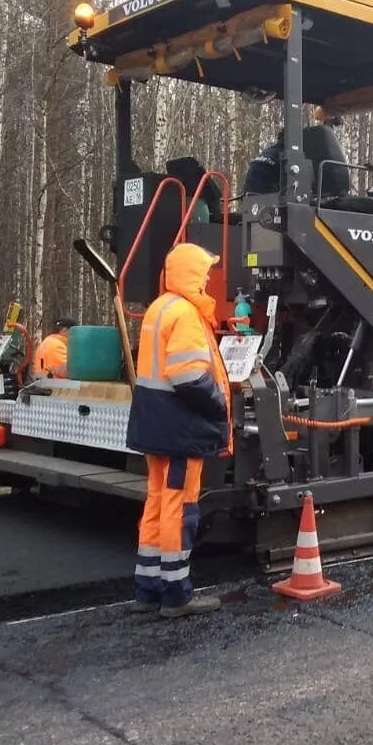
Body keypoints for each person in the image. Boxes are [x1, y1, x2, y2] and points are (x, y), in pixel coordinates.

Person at [125, 243, 231, 618]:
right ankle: (176, 594)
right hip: (180, 428)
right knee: (179, 507)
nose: (207, 278)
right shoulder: (186, 314)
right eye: (204, 271)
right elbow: (187, 375)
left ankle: (147, 588)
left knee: (156, 502)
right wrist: (219, 402)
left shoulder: (159, 307)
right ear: (191, 274)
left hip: (156, 423)